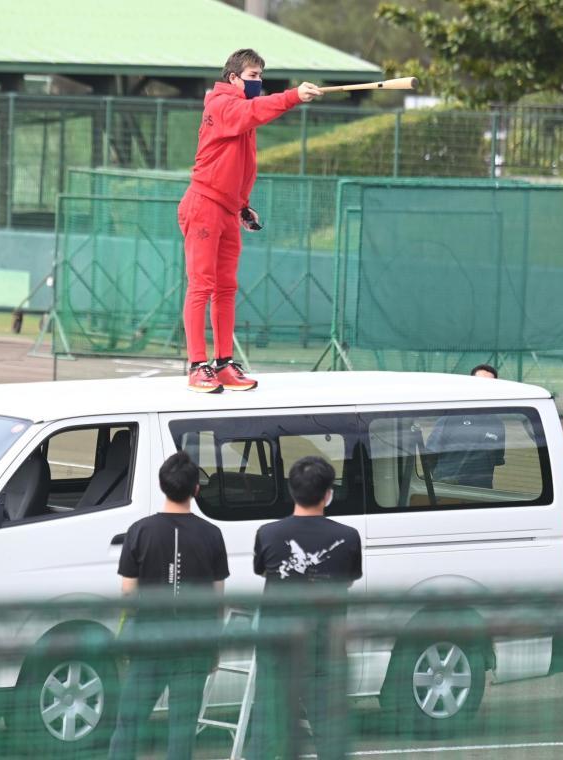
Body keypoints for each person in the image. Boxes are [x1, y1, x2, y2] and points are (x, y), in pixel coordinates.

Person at [178, 49, 322, 393]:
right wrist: (292, 96)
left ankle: (224, 363)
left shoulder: (239, 111)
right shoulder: (222, 104)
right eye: (254, 76)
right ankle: (198, 365)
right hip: (203, 205)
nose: (259, 82)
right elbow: (254, 111)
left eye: (261, 76)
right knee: (202, 285)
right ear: (233, 77)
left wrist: (242, 206)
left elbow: (239, 165)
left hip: (226, 209)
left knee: (226, 287)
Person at [108, 451, 229, 760]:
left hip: (149, 641)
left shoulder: (140, 530)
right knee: (182, 729)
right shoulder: (212, 535)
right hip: (195, 642)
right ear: (196, 490)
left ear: (162, 485)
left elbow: (127, 593)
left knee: (129, 722)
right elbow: (218, 600)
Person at [247, 456, 362, 760]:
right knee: (329, 734)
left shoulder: (268, 533)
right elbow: (347, 582)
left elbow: (263, 572)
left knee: (266, 728)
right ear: (328, 493)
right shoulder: (348, 537)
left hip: (277, 646)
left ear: (291, 490)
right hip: (325, 646)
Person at [425, 364, 505, 488]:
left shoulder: (497, 423)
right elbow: (430, 455)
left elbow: (496, 460)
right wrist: (442, 480)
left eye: (489, 384)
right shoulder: (450, 418)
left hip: (482, 493)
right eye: (479, 383)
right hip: (449, 491)